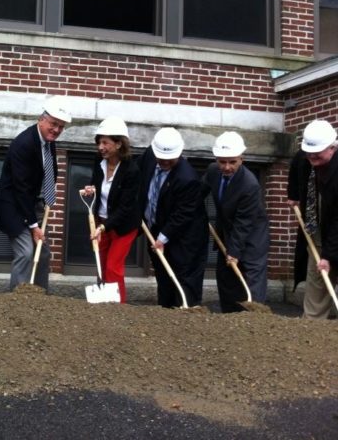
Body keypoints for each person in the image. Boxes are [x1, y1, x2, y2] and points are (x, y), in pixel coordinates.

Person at [0, 96, 72, 290]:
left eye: (61, 127)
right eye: (53, 124)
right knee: (26, 252)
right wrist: (33, 225)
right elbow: (21, 189)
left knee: (43, 253)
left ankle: (38, 296)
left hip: (31, 204)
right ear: (41, 119)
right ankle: (18, 298)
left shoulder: (47, 140)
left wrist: (49, 192)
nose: (56, 130)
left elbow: (51, 168)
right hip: (13, 208)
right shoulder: (24, 144)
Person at [139, 127, 208, 308]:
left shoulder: (188, 178)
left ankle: (186, 316)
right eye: (161, 159)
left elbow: (182, 214)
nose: (165, 162)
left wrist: (162, 238)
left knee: (184, 279)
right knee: (163, 277)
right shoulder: (148, 156)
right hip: (156, 227)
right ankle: (166, 315)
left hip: (185, 238)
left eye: (170, 160)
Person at [202, 131, 269, 312]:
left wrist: (234, 251)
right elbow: (199, 191)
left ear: (241, 159)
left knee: (251, 278)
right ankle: (230, 319)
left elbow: (244, 222)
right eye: (222, 161)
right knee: (226, 277)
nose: (226, 167)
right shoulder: (212, 171)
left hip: (252, 236)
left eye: (232, 161)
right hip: (227, 231)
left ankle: (254, 319)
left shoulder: (250, 185)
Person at [82, 116, 140, 303]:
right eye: (99, 142)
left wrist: (104, 227)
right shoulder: (99, 161)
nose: (100, 147)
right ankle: (103, 304)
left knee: (113, 267)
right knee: (102, 265)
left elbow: (125, 208)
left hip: (123, 226)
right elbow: (97, 183)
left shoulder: (132, 170)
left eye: (105, 142)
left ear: (118, 144)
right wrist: (91, 189)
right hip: (102, 221)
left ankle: (118, 308)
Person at [286, 120, 338, 319]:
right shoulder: (306, 155)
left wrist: (329, 255)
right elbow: (296, 164)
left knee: (327, 263)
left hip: (335, 225)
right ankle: (311, 325)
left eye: (318, 154)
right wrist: (293, 195)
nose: (312, 157)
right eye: (309, 152)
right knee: (317, 275)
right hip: (317, 226)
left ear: (332, 147)